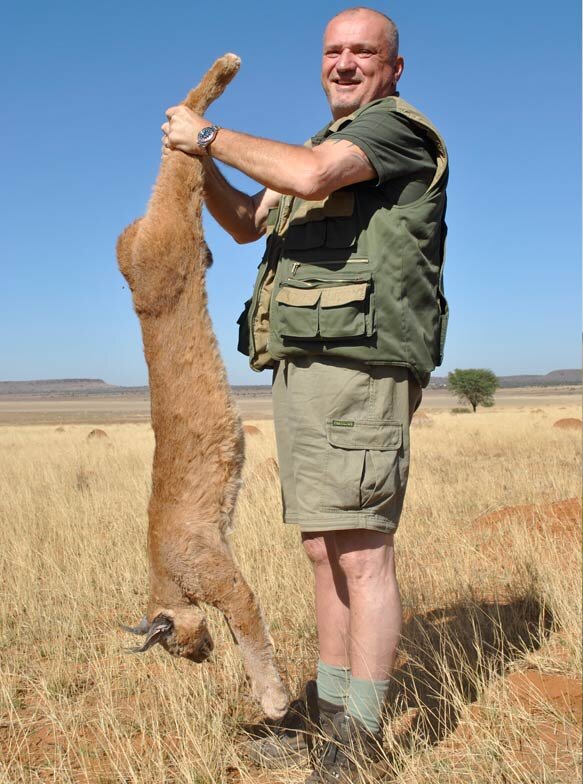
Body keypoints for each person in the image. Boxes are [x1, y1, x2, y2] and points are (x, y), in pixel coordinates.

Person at [163, 7, 448, 782]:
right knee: (324, 551)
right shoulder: (316, 145)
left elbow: (311, 178)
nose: (345, 63)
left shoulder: (394, 131)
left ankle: (360, 741)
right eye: (334, 51)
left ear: (392, 68)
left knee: (362, 554)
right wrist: (200, 166)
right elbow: (250, 225)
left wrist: (211, 136)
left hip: (360, 368)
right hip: (308, 368)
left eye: (364, 52)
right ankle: (326, 721)